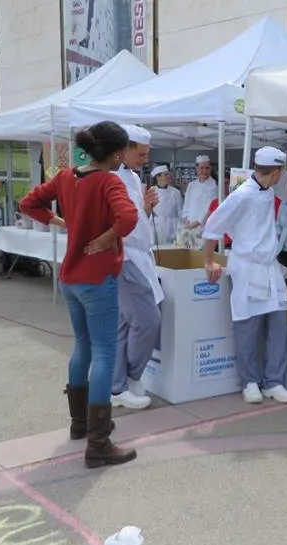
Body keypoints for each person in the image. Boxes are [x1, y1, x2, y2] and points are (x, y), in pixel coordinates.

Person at [19, 121, 138, 469]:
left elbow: (29, 203)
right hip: (97, 278)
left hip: (70, 277)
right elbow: (128, 217)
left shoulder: (66, 177)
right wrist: (109, 237)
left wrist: (59, 222)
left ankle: (81, 425)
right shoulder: (109, 181)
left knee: (83, 347)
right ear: (116, 153)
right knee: (104, 352)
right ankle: (98, 444)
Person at [203, 147, 287, 405]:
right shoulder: (241, 195)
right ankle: (250, 382)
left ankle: (274, 381)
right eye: (282, 172)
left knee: (278, 323)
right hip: (246, 267)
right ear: (276, 171)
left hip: (269, 267)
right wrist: (209, 261)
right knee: (248, 327)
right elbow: (213, 226)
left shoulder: (267, 192)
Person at [110, 126, 162, 411]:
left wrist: (147, 207)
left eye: (146, 154)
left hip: (138, 255)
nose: (144, 160)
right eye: (140, 154)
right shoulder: (110, 178)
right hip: (125, 257)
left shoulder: (131, 176)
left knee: (126, 324)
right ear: (124, 150)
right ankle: (128, 378)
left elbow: (138, 220)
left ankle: (118, 385)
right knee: (147, 320)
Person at [181, 155, 218, 233]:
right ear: (197, 169)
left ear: (211, 168)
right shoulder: (192, 185)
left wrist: (197, 222)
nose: (204, 171)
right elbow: (186, 204)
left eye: (207, 168)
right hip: (189, 225)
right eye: (201, 168)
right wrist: (186, 219)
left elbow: (210, 209)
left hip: (205, 226)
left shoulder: (214, 186)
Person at [150, 165, 182, 245]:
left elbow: (180, 212)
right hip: (157, 227)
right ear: (158, 177)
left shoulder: (175, 192)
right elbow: (148, 212)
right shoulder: (151, 191)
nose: (169, 176)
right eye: (165, 174)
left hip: (173, 226)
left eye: (168, 174)